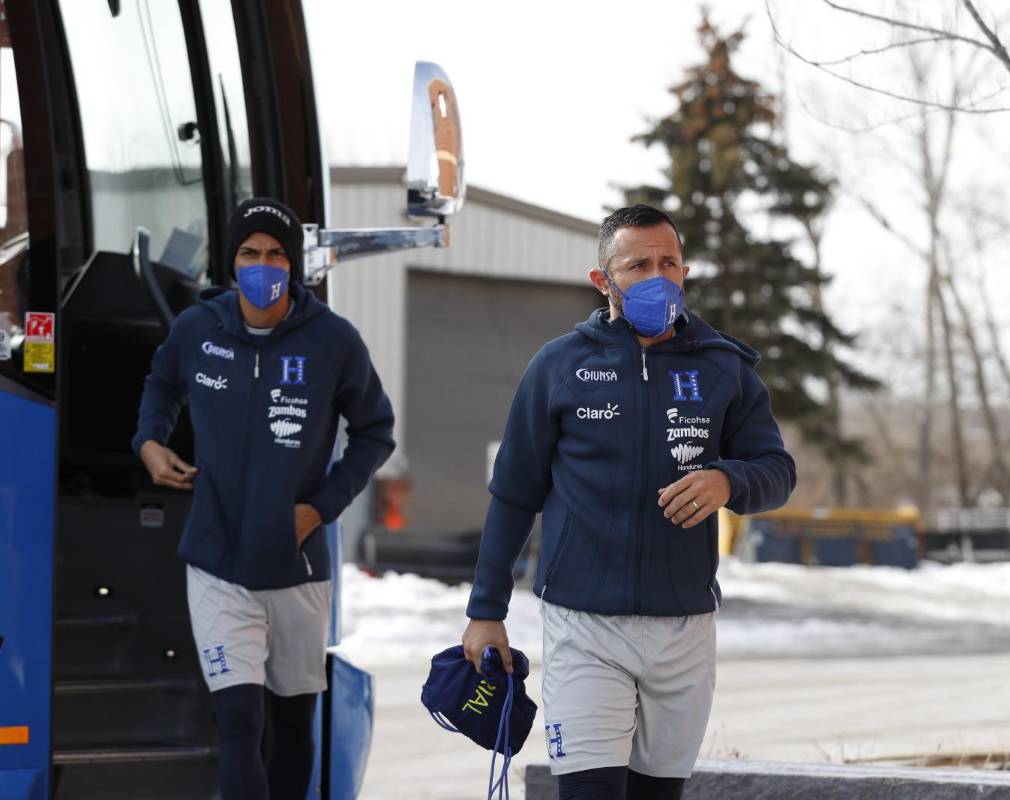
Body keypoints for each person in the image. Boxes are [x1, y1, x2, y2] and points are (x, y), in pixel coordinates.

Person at [462, 204, 796, 800]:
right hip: (584, 625)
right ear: (603, 280)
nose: (656, 276)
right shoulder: (560, 366)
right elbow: (514, 493)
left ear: (685, 272)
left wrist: (728, 480)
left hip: (684, 628)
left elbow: (778, 472)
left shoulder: (725, 368)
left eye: (668, 262)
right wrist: (486, 610)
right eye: (637, 264)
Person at [132, 197, 395, 799]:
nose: (263, 263)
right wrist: (149, 441)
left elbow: (376, 431)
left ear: (293, 265)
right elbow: (161, 383)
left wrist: (321, 507)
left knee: (292, 724)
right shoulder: (198, 329)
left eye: (276, 254)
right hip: (217, 562)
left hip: (297, 567)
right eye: (250, 252)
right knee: (240, 720)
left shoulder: (333, 340)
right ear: (232, 262)